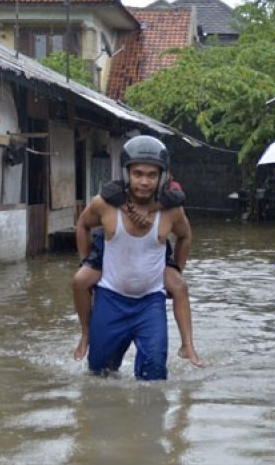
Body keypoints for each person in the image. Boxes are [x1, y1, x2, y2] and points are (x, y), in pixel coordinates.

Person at [74, 135, 192, 380]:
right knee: (99, 375)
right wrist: (87, 261)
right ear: (127, 174)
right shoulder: (105, 204)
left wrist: (176, 270)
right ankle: (86, 333)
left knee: (155, 376)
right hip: (109, 298)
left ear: (162, 177)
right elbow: (83, 225)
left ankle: (187, 346)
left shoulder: (171, 210)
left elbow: (185, 236)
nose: (144, 182)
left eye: (151, 175)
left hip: (150, 302)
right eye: (138, 174)